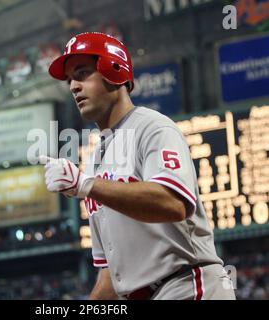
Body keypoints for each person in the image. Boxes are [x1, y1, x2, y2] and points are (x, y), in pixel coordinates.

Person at [40, 32, 236, 300]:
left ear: (115, 71)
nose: (73, 86)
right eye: (70, 79)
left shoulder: (152, 127)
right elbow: (110, 274)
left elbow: (173, 204)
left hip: (187, 285)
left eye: (82, 73)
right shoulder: (96, 158)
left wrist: (85, 184)